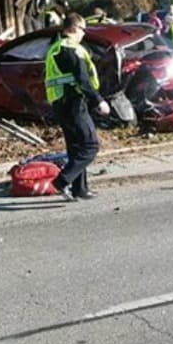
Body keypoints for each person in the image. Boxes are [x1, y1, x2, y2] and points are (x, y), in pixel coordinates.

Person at [44, 13, 110, 202]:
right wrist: (98, 100)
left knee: (76, 148)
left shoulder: (54, 48)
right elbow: (82, 80)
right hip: (73, 102)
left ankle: (80, 189)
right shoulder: (71, 49)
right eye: (83, 29)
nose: (84, 34)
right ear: (73, 28)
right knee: (90, 146)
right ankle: (62, 181)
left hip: (60, 103)